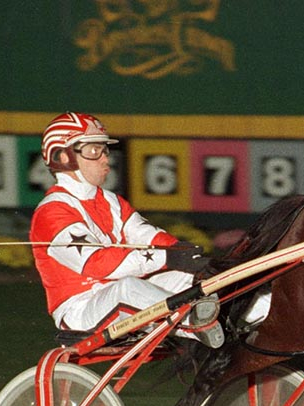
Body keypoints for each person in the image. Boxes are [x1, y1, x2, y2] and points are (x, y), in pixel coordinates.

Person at [30, 111, 224, 348]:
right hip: (80, 312)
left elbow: (147, 235)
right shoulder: (51, 213)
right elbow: (97, 263)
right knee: (128, 288)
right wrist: (167, 257)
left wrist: (182, 252)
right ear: (62, 156)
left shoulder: (111, 201)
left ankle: (255, 317)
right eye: (93, 151)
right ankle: (195, 322)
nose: (105, 159)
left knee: (189, 277)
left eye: (104, 150)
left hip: (116, 295)